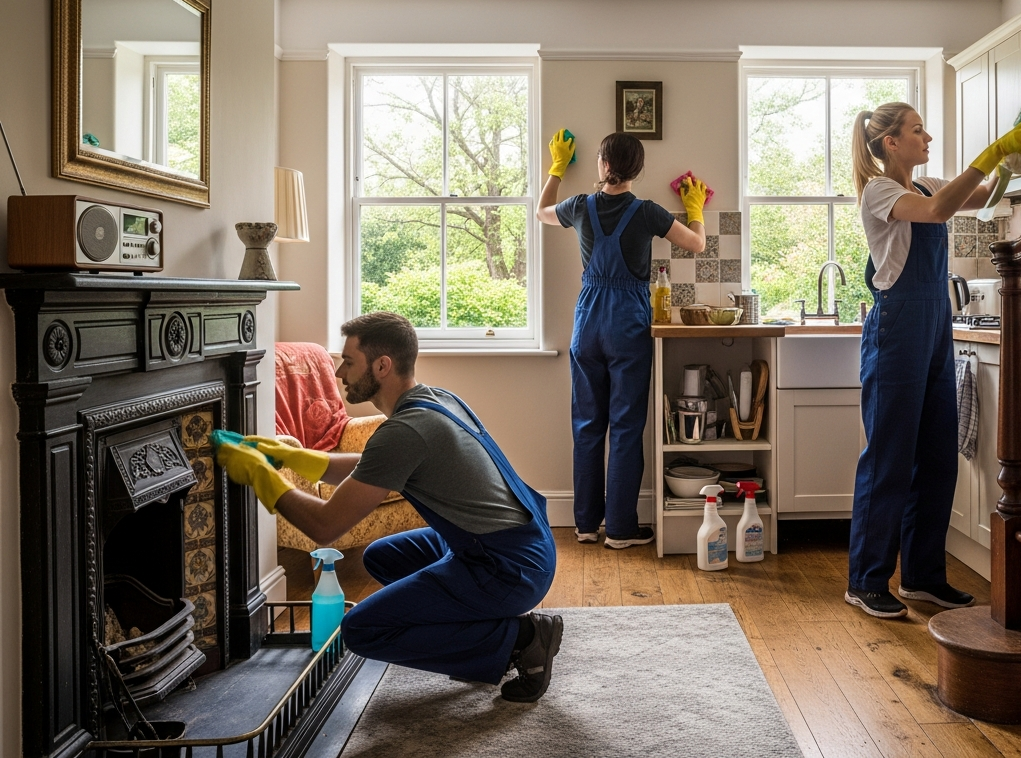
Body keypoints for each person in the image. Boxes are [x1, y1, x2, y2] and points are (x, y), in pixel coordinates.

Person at [215, 312, 561, 702]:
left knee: (362, 630)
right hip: (521, 545)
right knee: (384, 556)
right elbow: (373, 466)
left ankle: (523, 639)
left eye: (349, 360)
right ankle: (483, 626)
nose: (339, 371)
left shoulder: (406, 431)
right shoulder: (434, 399)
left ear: (382, 365)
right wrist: (294, 458)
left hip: (507, 568)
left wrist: (262, 477)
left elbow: (325, 526)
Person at [846, 102, 1021, 619]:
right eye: (917, 130)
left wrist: (1010, 164)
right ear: (891, 142)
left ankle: (924, 576)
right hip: (895, 331)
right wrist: (991, 151)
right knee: (888, 458)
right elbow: (935, 214)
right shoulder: (881, 191)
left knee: (936, 456)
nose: (927, 136)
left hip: (934, 330)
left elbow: (980, 199)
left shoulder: (930, 184)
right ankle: (866, 580)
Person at [536, 130, 707, 547]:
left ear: (603, 165)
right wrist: (693, 206)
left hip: (588, 322)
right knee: (627, 427)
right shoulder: (647, 213)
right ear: (637, 169)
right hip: (628, 322)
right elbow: (698, 244)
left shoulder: (579, 206)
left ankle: (585, 525)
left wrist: (557, 168)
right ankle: (621, 529)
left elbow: (541, 211)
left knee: (587, 425)